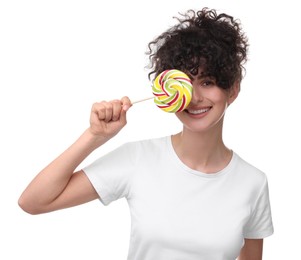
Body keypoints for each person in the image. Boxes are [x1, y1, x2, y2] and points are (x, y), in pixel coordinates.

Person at [18, 8, 274, 260]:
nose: (194, 98)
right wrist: (95, 136)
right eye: (183, 82)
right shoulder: (138, 159)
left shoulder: (253, 182)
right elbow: (33, 201)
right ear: (167, 89)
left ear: (233, 90)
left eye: (207, 82)